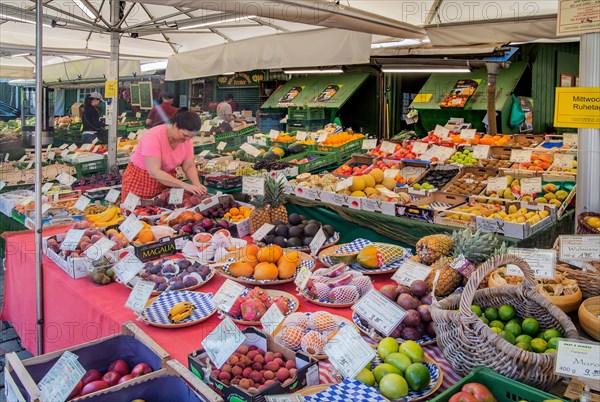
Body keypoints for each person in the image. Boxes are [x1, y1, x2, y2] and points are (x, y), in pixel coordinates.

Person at [122, 111, 207, 201]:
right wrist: (184, 185)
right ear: (175, 125)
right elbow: (154, 172)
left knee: (166, 211)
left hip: (168, 180)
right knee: (138, 211)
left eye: (191, 137)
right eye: (184, 135)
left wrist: (197, 184)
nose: (187, 140)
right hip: (141, 181)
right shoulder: (153, 136)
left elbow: (189, 165)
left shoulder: (186, 140)